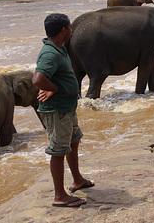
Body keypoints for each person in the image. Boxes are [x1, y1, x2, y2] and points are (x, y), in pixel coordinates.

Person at [32, 13, 93, 208]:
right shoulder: (50, 53)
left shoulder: (59, 49)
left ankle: (77, 180)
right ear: (64, 30)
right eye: (69, 27)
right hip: (57, 110)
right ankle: (60, 195)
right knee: (58, 150)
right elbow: (37, 79)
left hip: (66, 108)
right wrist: (54, 88)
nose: (71, 30)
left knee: (73, 141)